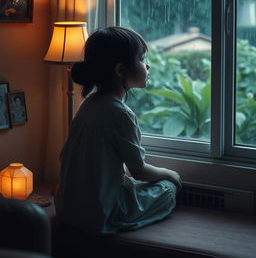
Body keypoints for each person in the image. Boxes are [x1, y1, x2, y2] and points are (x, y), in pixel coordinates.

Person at [54, 26, 182, 236]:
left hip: (67, 208)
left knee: (132, 184)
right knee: (168, 189)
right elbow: (139, 171)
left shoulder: (89, 103)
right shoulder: (120, 113)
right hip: (100, 215)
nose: (148, 65)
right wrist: (171, 174)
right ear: (120, 70)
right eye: (142, 59)